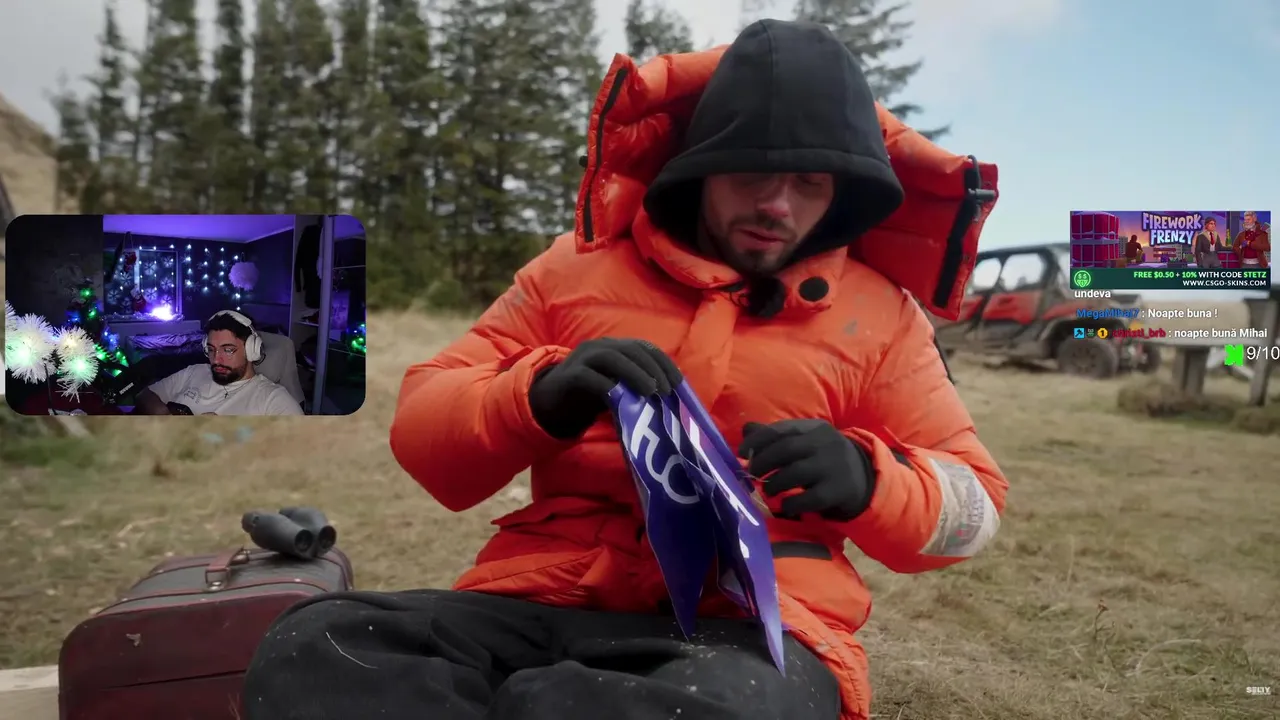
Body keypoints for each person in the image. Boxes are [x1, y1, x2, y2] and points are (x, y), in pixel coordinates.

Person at [243, 19, 1008, 720]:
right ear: (703, 165)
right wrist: (539, 394)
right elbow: (422, 432)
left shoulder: (883, 316)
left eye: (809, 182)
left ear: (842, 192)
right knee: (314, 646)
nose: (778, 204)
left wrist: (873, 480)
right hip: (545, 598)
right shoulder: (572, 269)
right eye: (752, 172)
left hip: (750, 635)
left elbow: (974, 511)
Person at [132, 310, 302, 416]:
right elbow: (144, 395)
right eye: (211, 349)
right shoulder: (194, 372)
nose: (216, 359)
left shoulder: (273, 400)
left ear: (252, 350)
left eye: (228, 350)